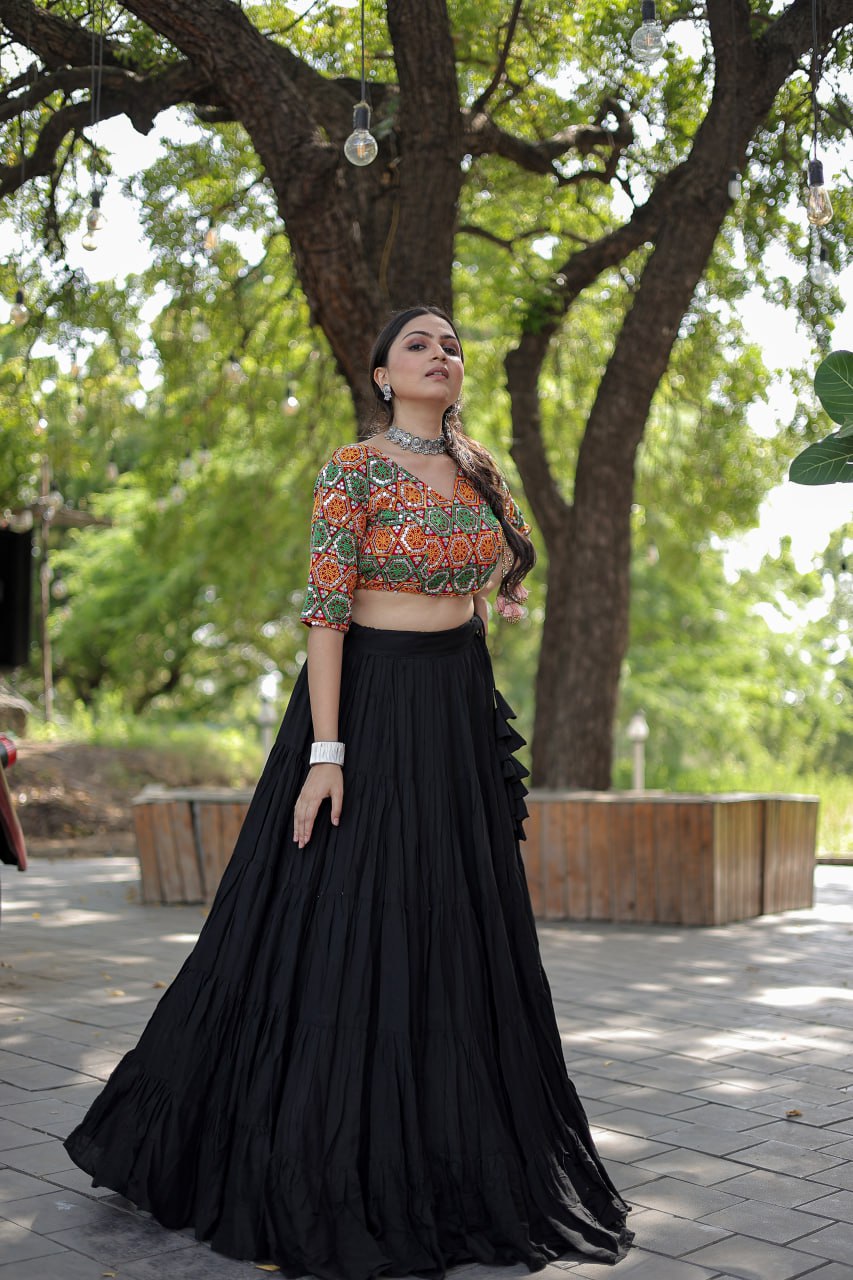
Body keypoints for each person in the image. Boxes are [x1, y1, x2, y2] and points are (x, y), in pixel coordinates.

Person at [63, 305, 633, 1278]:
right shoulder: (352, 468)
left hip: (453, 705)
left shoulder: (480, 470)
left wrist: (491, 611)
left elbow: (501, 571)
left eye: (451, 344)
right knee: (332, 925)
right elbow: (325, 611)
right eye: (418, 343)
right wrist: (327, 750)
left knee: (451, 929)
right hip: (363, 704)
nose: (440, 354)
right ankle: (291, 1147)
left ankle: (448, 1155)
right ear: (381, 374)